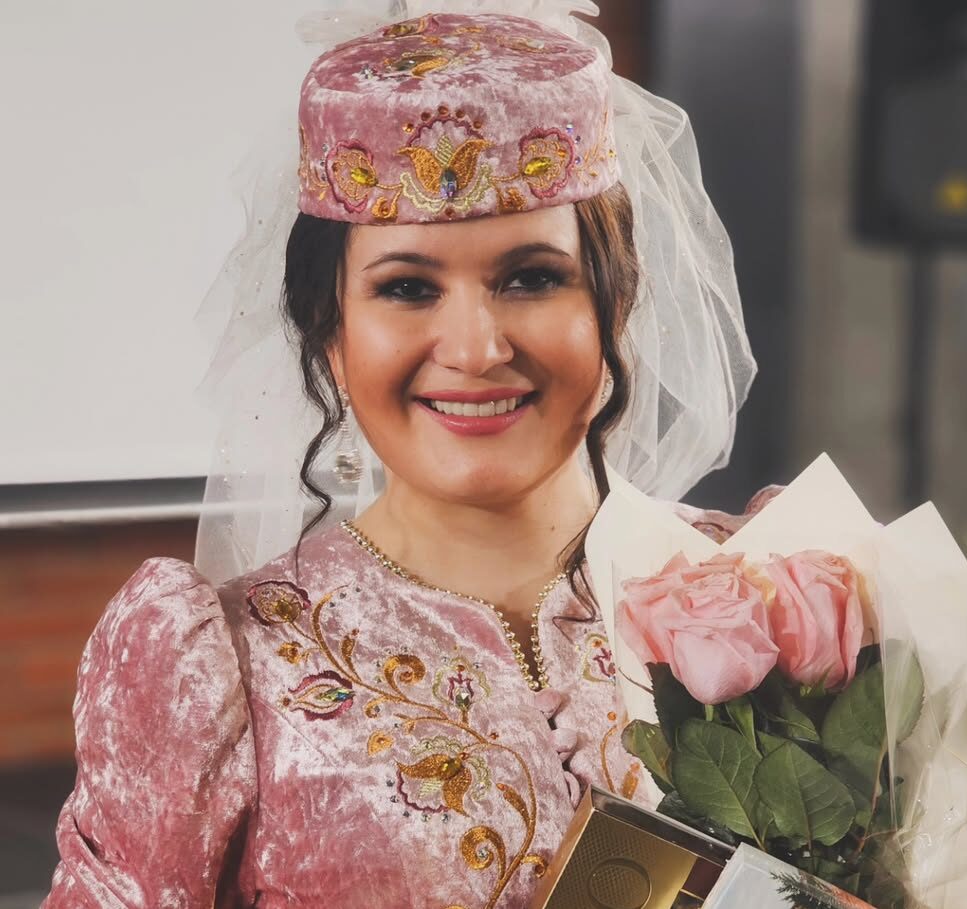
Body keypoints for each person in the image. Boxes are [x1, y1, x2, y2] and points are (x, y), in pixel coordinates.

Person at [43, 4, 761, 906]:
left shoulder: (770, 595)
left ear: (615, 302)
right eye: (409, 288)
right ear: (330, 333)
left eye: (532, 278)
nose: (476, 348)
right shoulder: (223, 663)